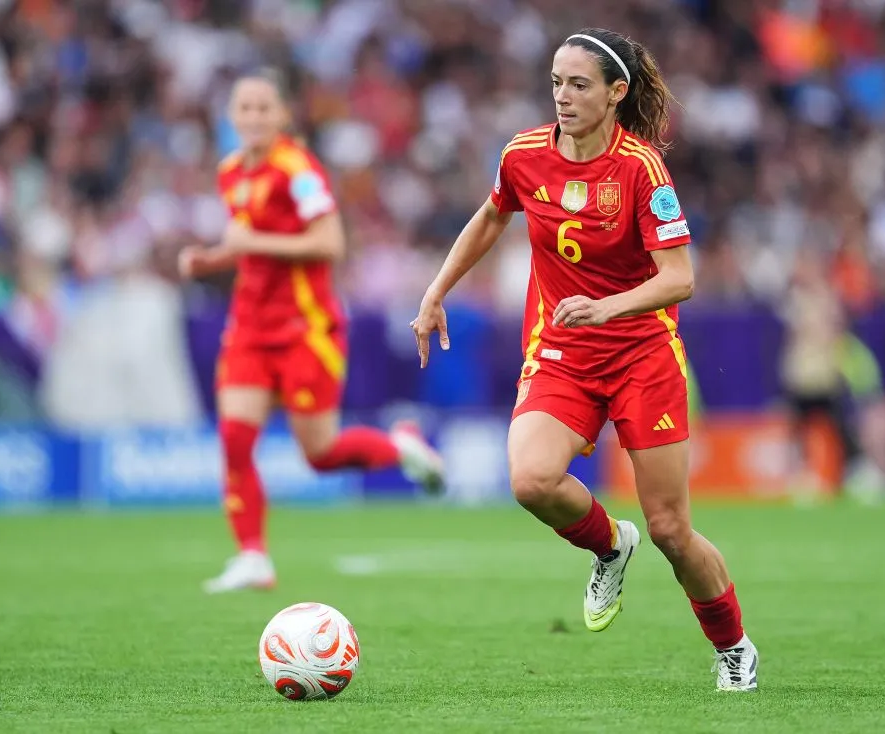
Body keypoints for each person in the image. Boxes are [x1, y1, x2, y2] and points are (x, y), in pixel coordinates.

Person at [411, 29, 758, 691]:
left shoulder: (641, 169)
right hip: (562, 353)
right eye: (555, 83)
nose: (563, 98)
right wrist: (436, 290)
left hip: (642, 356)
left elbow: (680, 277)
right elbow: (491, 216)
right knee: (532, 481)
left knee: (671, 529)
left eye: (579, 85)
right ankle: (607, 545)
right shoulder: (524, 154)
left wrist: (608, 307)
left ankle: (733, 646)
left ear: (615, 92)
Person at [179, 69, 444, 594]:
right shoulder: (231, 170)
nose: (253, 117)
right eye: (244, 108)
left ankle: (401, 446)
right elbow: (248, 240)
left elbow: (329, 244)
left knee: (320, 454)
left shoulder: (297, 169)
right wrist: (211, 259)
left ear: (282, 116)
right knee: (235, 437)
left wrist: (250, 241)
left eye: (263, 108)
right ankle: (252, 556)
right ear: (232, 118)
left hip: (307, 327)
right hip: (250, 326)